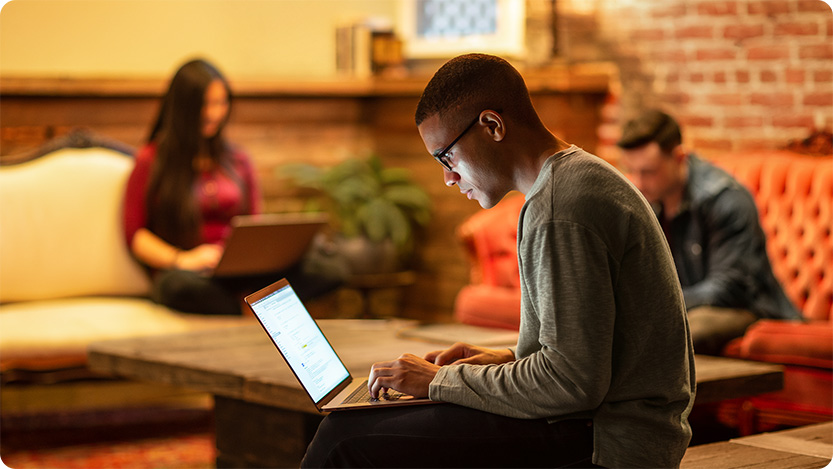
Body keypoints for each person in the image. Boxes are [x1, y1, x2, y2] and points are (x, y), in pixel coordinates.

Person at [302, 54, 694, 468]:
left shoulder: (560, 207)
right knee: (372, 424)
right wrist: (504, 358)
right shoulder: (571, 181)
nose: (448, 178)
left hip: (612, 443)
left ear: (492, 126)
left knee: (343, 438)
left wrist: (441, 380)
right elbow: (585, 355)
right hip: (600, 424)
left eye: (446, 156)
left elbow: (572, 383)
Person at [124, 58, 337, 315]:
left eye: (220, 103)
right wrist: (183, 259)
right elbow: (135, 235)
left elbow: (254, 225)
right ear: (183, 107)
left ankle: (248, 302)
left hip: (240, 271)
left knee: (329, 268)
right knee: (177, 286)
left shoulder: (238, 160)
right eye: (205, 104)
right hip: (188, 273)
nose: (214, 113)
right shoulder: (151, 160)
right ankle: (253, 307)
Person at [616, 109, 801, 355]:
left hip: (748, 309)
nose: (638, 182)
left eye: (648, 171)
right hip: (693, 306)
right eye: (632, 170)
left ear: (679, 157)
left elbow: (727, 289)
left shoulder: (725, 199)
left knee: (685, 330)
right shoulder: (650, 200)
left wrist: (655, 304)